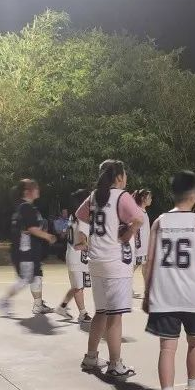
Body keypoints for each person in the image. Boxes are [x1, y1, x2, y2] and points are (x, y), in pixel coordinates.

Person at [142, 171, 195, 390]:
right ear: (194, 195)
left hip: (164, 296)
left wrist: (147, 293)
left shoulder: (159, 222)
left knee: (167, 348)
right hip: (193, 295)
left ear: (173, 194)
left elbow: (149, 262)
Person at [77, 160, 144, 378]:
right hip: (115, 263)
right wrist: (128, 232)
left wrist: (85, 235)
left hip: (96, 261)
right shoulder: (122, 196)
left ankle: (91, 357)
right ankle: (115, 363)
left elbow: (80, 215)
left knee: (101, 312)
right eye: (125, 175)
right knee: (115, 317)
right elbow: (139, 218)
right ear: (119, 177)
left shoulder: (94, 196)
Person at [0, 179, 57, 316]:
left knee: (37, 276)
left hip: (30, 250)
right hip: (25, 251)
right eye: (35, 188)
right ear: (27, 192)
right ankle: (4, 301)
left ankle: (38, 305)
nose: (38, 190)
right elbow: (32, 229)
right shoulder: (26, 207)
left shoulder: (26, 207)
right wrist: (48, 236)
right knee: (25, 279)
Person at [56, 190, 92, 323]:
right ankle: (83, 313)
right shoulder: (82, 219)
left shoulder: (73, 217)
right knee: (78, 287)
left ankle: (62, 307)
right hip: (77, 257)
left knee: (77, 285)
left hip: (75, 256)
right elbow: (80, 245)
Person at [131, 189, 153, 299]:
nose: (151, 199)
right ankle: (127, 289)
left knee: (145, 268)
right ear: (143, 199)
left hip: (144, 246)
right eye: (149, 197)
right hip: (139, 247)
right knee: (133, 268)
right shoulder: (138, 211)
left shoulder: (143, 211)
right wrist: (136, 244)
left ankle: (147, 290)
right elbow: (135, 229)